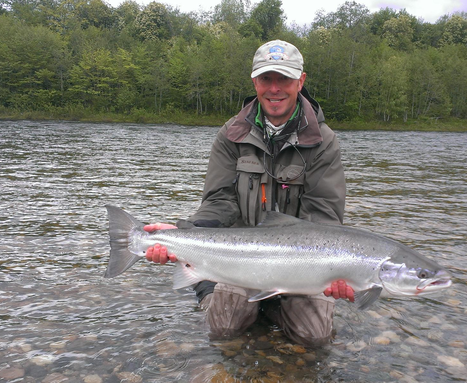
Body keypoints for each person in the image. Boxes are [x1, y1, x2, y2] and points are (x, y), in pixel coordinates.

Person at [144, 40, 354, 347]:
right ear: (254, 81)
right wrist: (183, 234)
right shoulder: (231, 133)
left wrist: (336, 272)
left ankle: (271, 307)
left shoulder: (322, 141)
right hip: (238, 260)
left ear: (301, 81)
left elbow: (324, 217)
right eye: (266, 78)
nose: (275, 88)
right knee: (223, 328)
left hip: (299, 264)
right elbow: (218, 200)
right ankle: (240, 305)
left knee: (315, 337)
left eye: (284, 78)